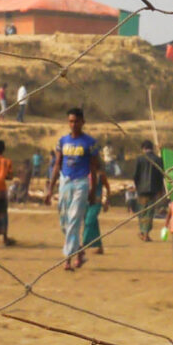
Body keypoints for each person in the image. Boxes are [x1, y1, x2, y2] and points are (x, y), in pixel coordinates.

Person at [53, 108, 105, 270]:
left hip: (81, 183)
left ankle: (68, 259)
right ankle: (79, 251)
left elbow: (94, 168)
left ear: (83, 122)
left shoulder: (90, 143)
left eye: (76, 121)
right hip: (65, 182)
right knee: (65, 221)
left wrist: (92, 190)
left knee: (74, 219)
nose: (73, 124)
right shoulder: (62, 141)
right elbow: (57, 165)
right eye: (70, 121)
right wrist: (49, 189)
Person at [131, 139, 168, 242]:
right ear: (152, 148)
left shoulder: (140, 159)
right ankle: (145, 233)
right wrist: (160, 189)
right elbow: (161, 176)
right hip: (153, 189)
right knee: (150, 212)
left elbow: (135, 175)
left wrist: (137, 186)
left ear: (143, 148)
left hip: (141, 190)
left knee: (142, 211)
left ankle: (143, 232)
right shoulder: (158, 160)